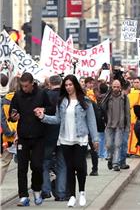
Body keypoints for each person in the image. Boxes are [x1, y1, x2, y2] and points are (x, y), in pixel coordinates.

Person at [38, 75, 100, 208]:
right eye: (66, 85)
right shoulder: (62, 101)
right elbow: (57, 119)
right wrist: (43, 117)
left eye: (70, 85)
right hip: (65, 138)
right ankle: (72, 195)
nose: (68, 87)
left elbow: (91, 121)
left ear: (75, 85)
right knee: (69, 168)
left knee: (79, 166)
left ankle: (82, 192)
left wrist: (95, 139)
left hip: (80, 138)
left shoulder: (85, 101)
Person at [9, 73, 55, 206]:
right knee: (21, 168)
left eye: (26, 86)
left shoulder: (41, 94)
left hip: (39, 136)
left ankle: (36, 190)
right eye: (22, 86)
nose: (24, 89)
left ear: (32, 83)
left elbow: (52, 109)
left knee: (37, 165)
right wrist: (14, 116)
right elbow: (12, 113)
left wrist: (43, 110)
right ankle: (23, 196)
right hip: (23, 137)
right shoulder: (17, 95)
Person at [41, 75, 66, 202]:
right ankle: (61, 193)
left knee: (45, 163)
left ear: (50, 83)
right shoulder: (65, 96)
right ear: (61, 83)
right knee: (62, 165)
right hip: (63, 135)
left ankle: (45, 190)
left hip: (47, 135)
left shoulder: (44, 95)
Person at [103, 80, 130, 172]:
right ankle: (110, 158)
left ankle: (115, 164)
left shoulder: (125, 98)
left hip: (120, 125)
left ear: (120, 87)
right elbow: (102, 107)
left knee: (118, 145)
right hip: (109, 124)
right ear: (111, 87)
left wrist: (127, 127)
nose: (116, 89)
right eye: (114, 87)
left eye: (117, 87)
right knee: (109, 145)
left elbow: (127, 113)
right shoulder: (107, 97)